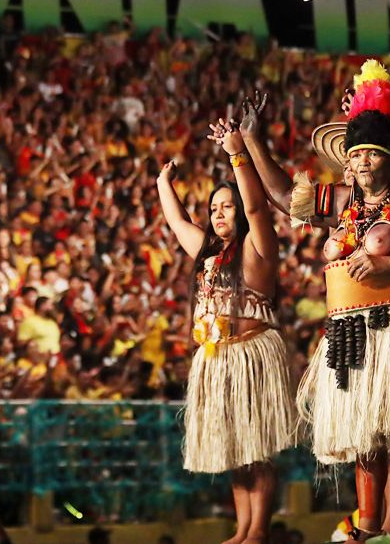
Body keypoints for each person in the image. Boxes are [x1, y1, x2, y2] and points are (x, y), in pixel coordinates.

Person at [277, 62, 390, 539]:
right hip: (351, 330)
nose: (363, 162)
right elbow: (283, 197)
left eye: (372, 153)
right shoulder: (344, 205)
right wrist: (245, 150)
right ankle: (369, 524)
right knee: (365, 432)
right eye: (356, 154)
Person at [157, 104, 296, 544]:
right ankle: (241, 529)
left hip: (251, 353)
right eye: (214, 208)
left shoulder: (258, 247)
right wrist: (163, 184)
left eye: (227, 206)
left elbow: (256, 208)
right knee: (235, 449)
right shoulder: (207, 253)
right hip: (216, 358)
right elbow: (177, 221)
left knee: (257, 449)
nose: (219, 214)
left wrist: (237, 156)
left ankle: (258, 530)